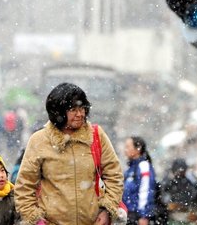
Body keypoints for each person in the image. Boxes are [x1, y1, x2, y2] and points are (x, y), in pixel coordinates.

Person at [14, 82, 124, 225]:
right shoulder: (39, 140)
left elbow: (114, 176)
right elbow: (24, 187)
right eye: (73, 109)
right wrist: (37, 220)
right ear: (58, 112)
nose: (80, 114)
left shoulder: (96, 136)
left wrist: (107, 210)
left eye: (82, 108)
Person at [122, 137, 157, 225]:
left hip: (137, 216)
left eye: (128, 147)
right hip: (128, 214)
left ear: (138, 149)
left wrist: (144, 215)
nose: (125, 150)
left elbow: (146, 191)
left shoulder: (143, 166)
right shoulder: (130, 168)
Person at [160, 159, 197, 225]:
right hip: (173, 215)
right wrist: (169, 204)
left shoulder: (191, 180)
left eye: (182, 171)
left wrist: (193, 209)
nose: (180, 173)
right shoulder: (169, 181)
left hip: (187, 215)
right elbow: (163, 195)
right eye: (178, 171)